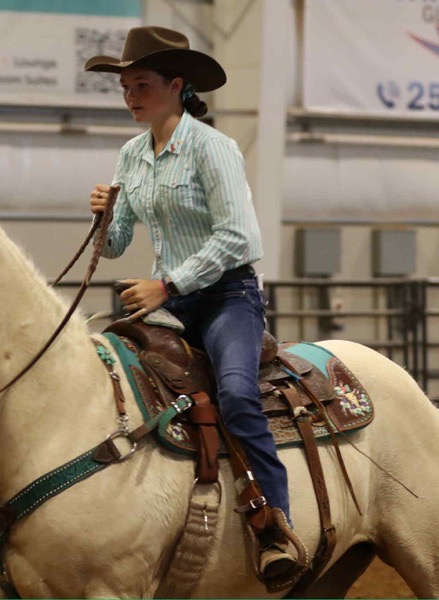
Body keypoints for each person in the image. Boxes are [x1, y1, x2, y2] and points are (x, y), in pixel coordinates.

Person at [84, 26, 302, 585]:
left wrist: (167, 286)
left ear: (176, 85)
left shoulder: (213, 148)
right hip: (172, 302)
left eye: (142, 85)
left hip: (228, 296)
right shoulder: (131, 155)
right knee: (108, 380)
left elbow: (240, 238)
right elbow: (115, 245)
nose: (131, 96)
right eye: (125, 87)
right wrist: (104, 215)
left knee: (237, 393)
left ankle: (275, 525)